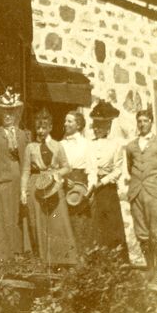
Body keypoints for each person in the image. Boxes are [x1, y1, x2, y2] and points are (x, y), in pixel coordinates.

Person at [124, 105, 157, 282]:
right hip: (136, 193)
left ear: (151, 123)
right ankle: (150, 269)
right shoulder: (131, 146)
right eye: (139, 121)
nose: (142, 124)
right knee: (142, 233)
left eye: (145, 121)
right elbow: (129, 166)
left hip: (154, 193)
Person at [21, 108, 78, 266]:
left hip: (54, 186)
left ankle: (62, 259)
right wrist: (22, 191)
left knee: (57, 222)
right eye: (38, 127)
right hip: (36, 187)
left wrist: (56, 173)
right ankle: (42, 260)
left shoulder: (58, 146)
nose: (41, 131)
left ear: (50, 128)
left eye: (44, 127)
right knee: (38, 222)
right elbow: (25, 171)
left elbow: (67, 167)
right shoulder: (30, 147)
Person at [0, 88, 31, 259]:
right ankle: (2, 253)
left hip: (19, 180)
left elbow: (28, 160)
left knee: (17, 216)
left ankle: (18, 252)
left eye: (11, 112)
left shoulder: (24, 135)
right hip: (1, 180)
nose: (7, 116)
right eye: (4, 113)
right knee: (2, 217)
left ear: (16, 114)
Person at [88, 100, 128, 260]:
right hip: (93, 189)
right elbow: (90, 167)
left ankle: (116, 262)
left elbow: (118, 169)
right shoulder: (89, 145)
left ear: (108, 127)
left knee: (111, 224)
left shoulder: (116, 145)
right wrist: (92, 184)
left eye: (101, 125)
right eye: (95, 125)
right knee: (95, 224)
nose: (97, 129)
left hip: (108, 189)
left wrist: (103, 182)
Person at [59, 109, 96, 254]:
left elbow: (92, 169)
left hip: (81, 187)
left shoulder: (87, 144)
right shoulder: (60, 144)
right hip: (64, 185)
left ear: (79, 125)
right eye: (65, 121)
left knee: (80, 223)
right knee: (64, 222)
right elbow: (56, 168)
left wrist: (90, 191)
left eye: (69, 121)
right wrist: (62, 180)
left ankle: (82, 261)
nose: (65, 124)